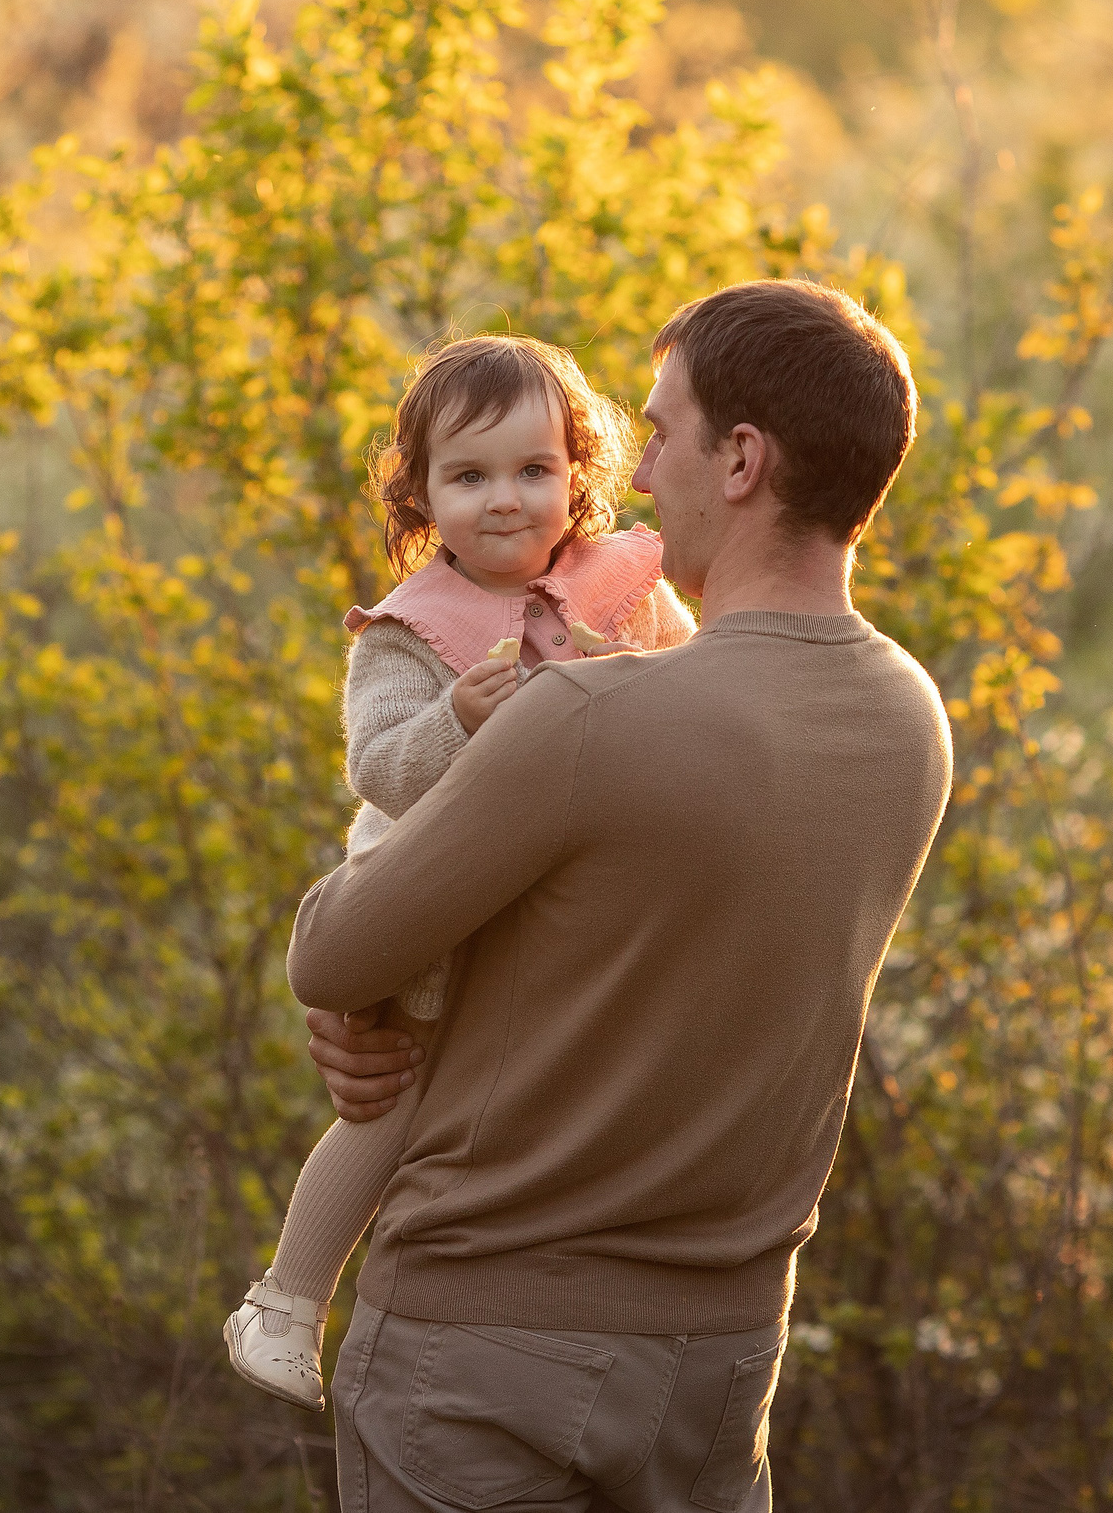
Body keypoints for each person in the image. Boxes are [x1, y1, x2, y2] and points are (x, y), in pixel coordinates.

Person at [288, 278, 953, 1513]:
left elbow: (330, 953)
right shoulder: (908, 719)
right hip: (715, 1376)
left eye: (657, 433)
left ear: (742, 460)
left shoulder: (587, 716)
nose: (636, 479)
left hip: (481, 1363)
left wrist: (368, 1010)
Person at [223, 334, 698, 1410]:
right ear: (422, 496)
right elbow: (380, 768)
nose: (504, 500)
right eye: (468, 476)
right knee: (396, 1094)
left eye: (534, 470)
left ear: (578, 473)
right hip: (427, 892)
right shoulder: (407, 635)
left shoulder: (623, 585)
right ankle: (287, 1303)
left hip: (564, 899)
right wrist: (455, 719)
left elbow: (695, 683)